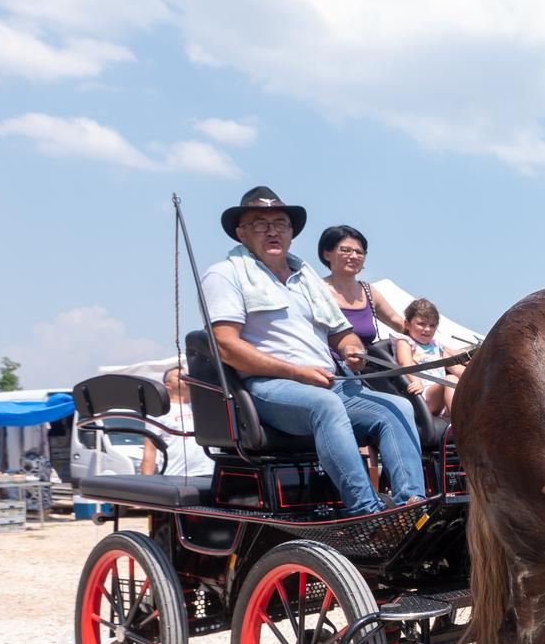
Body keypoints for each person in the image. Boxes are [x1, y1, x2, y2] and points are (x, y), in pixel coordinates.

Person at [200, 186, 424, 515]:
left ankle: (412, 506)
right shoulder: (225, 274)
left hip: (329, 380)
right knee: (326, 405)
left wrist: (351, 350)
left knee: (397, 408)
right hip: (269, 385)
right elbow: (226, 346)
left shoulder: (307, 279)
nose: (272, 230)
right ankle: (366, 511)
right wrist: (295, 372)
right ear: (241, 233)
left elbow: (342, 334)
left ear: (291, 233)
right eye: (260, 223)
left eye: (280, 223)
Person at [316, 225, 421, 389]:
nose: (354, 256)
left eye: (359, 252)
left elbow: (399, 323)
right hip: (331, 374)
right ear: (326, 254)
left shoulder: (368, 291)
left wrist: (444, 350)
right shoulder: (316, 290)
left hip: (368, 373)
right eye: (346, 250)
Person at [395, 298, 466, 416]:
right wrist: (416, 381)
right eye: (421, 324)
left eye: (432, 325)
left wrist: (477, 376)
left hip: (442, 395)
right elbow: (405, 364)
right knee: (450, 379)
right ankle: (458, 421)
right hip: (422, 395)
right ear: (407, 324)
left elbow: (455, 368)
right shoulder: (405, 342)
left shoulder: (436, 346)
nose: (427, 329)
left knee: (456, 379)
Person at [140, 366, 213, 476]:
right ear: (168, 385)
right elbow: (150, 449)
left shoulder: (203, 406)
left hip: (210, 473)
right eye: (179, 376)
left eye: (186, 375)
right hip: (176, 476)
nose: (185, 378)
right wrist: (146, 482)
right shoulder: (160, 411)